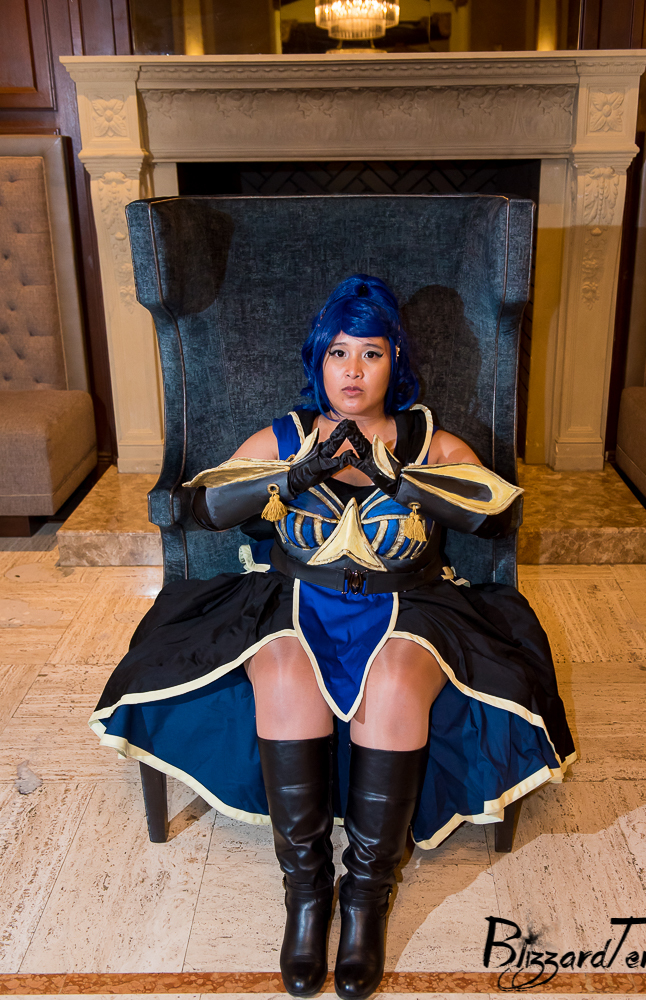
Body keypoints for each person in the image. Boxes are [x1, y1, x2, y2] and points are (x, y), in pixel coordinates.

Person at [90, 275, 575, 1000]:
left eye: (371, 353)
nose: (353, 370)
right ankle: (307, 893)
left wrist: (401, 481)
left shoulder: (430, 439)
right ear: (318, 361)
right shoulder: (285, 436)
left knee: (395, 682)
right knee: (287, 675)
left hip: (411, 601)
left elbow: (495, 514)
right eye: (338, 353)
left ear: (395, 361)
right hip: (293, 597)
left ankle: (366, 899)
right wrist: (294, 476)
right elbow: (205, 506)